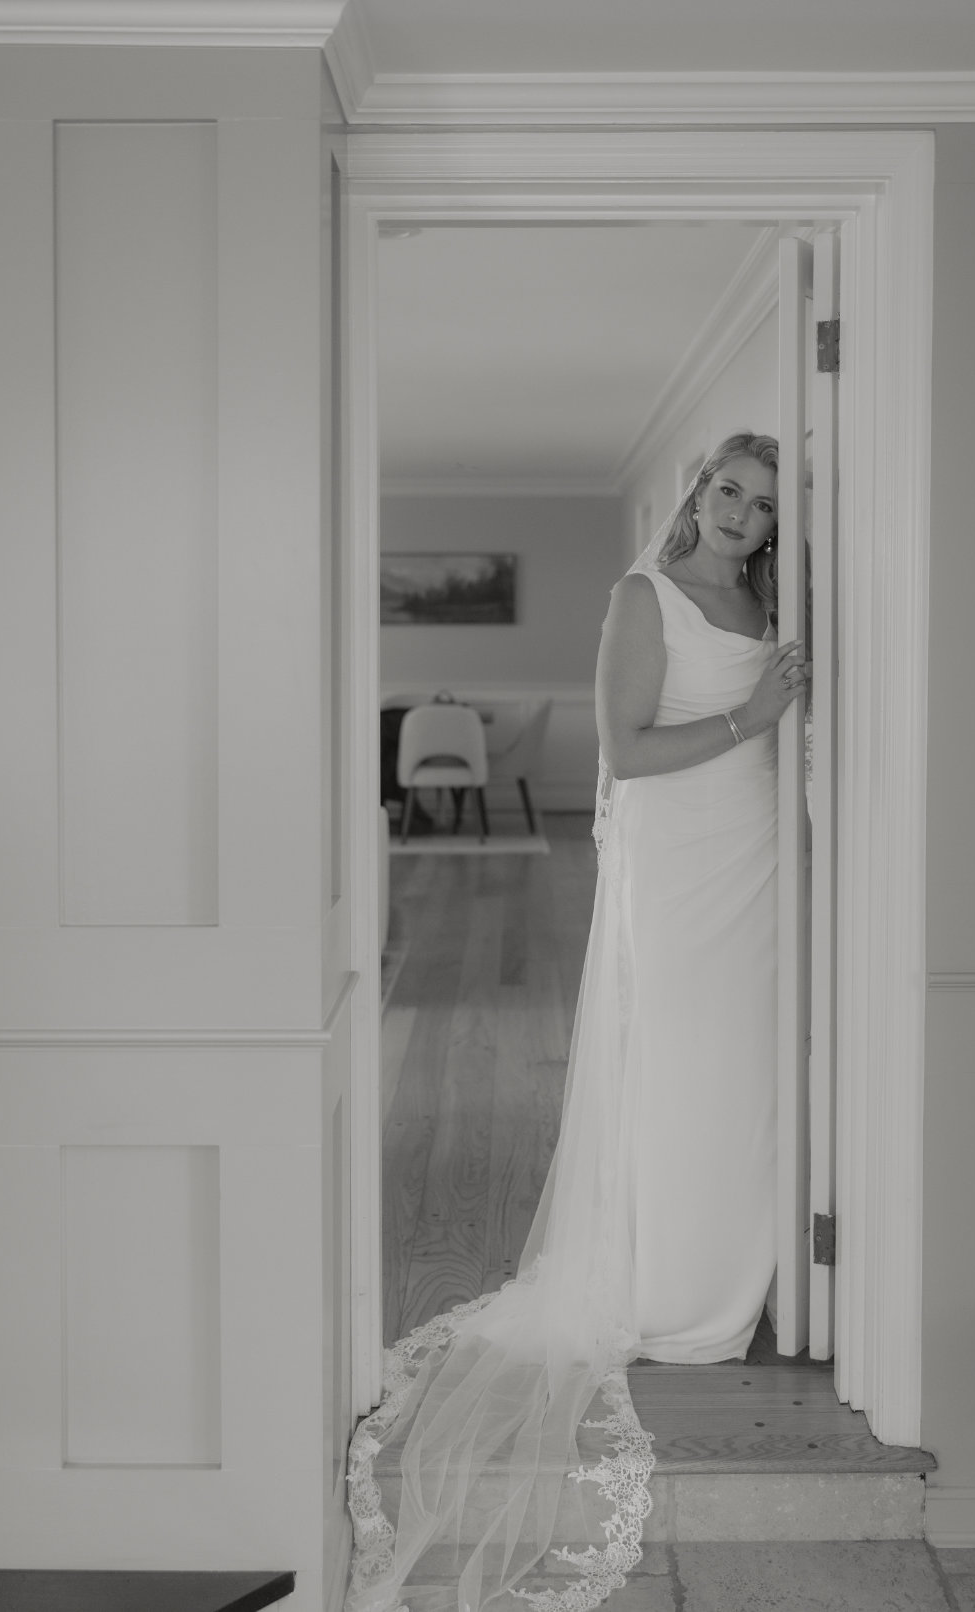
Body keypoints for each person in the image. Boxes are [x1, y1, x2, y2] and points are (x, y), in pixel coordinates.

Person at [346, 432, 810, 1612]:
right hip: (678, 856)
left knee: (741, 1062)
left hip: (756, 851)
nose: (742, 516)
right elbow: (624, 752)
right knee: (678, 1058)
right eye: (729, 492)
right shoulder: (642, 594)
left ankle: (731, 1266)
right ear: (699, 492)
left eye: (762, 506)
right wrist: (755, 718)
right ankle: (664, 1284)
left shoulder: (766, 596)